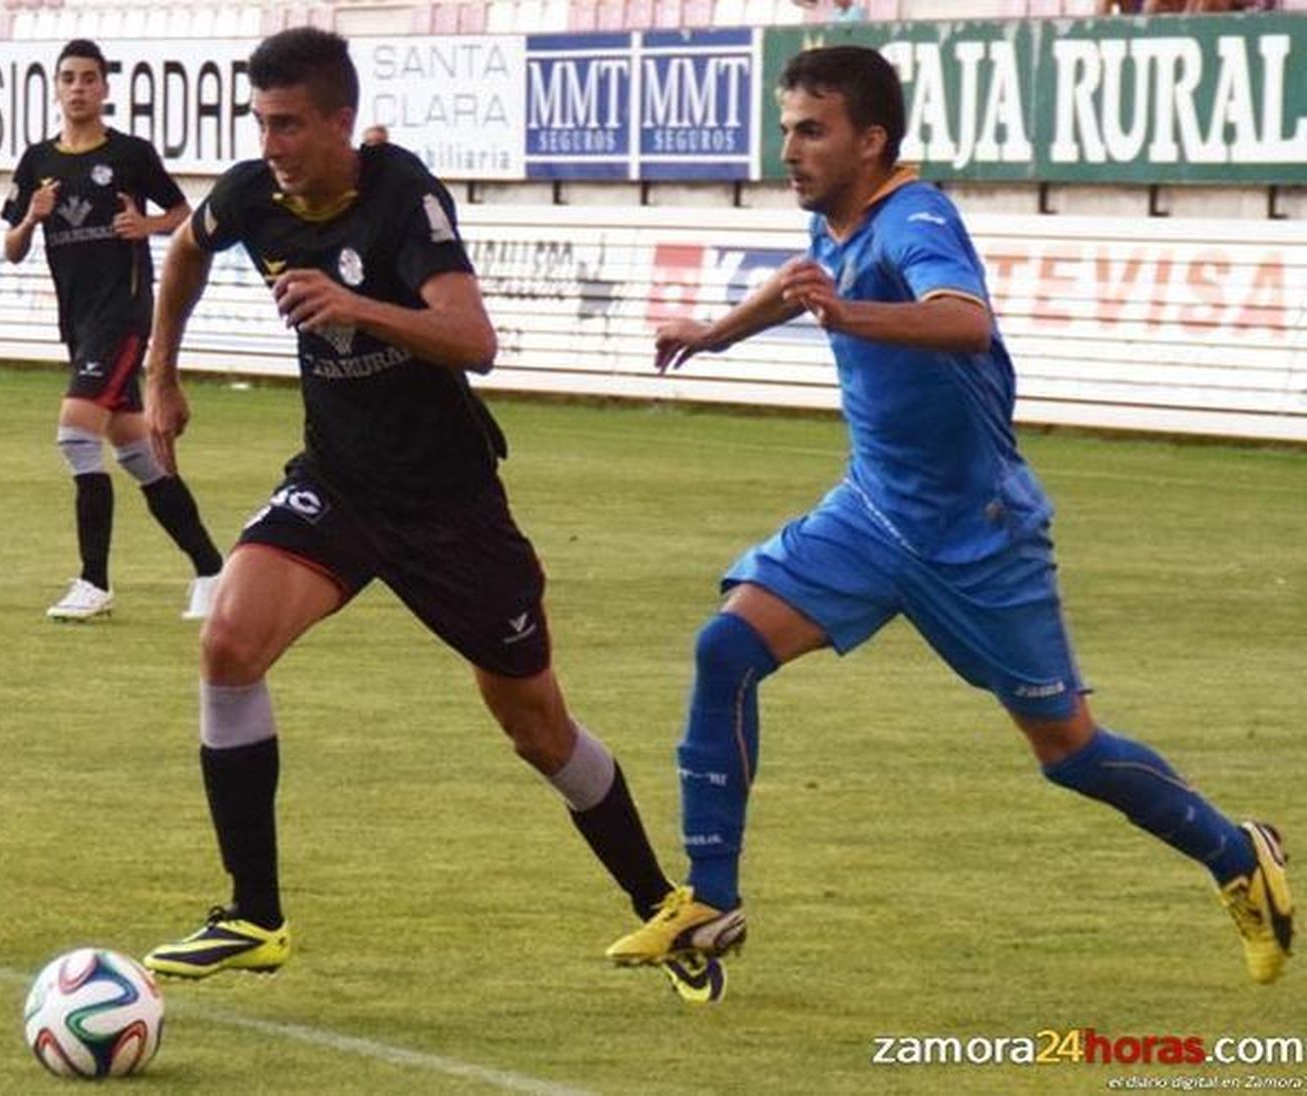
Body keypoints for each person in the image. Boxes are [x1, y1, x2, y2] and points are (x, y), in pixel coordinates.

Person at [606, 45, 1293, 987]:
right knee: (725, 650)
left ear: (871, 139)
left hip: (979, 539)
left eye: (813, 131)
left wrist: (849, 318)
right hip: (873, 515)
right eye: (785, 130)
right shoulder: (848, 227)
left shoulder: (916, 218)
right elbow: (808, 277)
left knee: (1070, 753)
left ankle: (1235, 855)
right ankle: (712, 900)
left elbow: (963, 319)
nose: (791, 150)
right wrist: (714, 333)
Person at [138, 27, 719, 1003]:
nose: (271, 142)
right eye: (261, 122)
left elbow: (473, 339)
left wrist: (356, 307)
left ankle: (669, 905)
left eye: (288, 124)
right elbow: (188, 253)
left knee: (536, 727)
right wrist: (162, 374)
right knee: (229, 642)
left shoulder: (404, 198)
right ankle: (253, 915)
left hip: (450, 510)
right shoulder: (251, 194)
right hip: (339, 484)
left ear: (339, 122)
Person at [2, 39, 225, 623]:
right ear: (56, 88)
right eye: (69, 78)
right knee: (137, 453)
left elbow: (183, 213)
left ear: (104, 88)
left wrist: (145, 223)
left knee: (75, 434)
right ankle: (212, 570)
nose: (78, 88)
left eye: (89, 79)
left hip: (124, 312)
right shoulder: (36, 163)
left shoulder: (129, 154)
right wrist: (32, 217)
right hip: (78, 321)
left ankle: (94, 581)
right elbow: (12, 248)